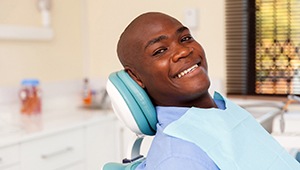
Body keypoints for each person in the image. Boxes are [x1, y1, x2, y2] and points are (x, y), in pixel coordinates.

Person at [116, 12, 300, 170]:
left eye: (185, 38)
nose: (183, 51)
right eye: (160, 51)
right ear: (136, 77)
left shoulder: (223, 109)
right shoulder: (179, 157)